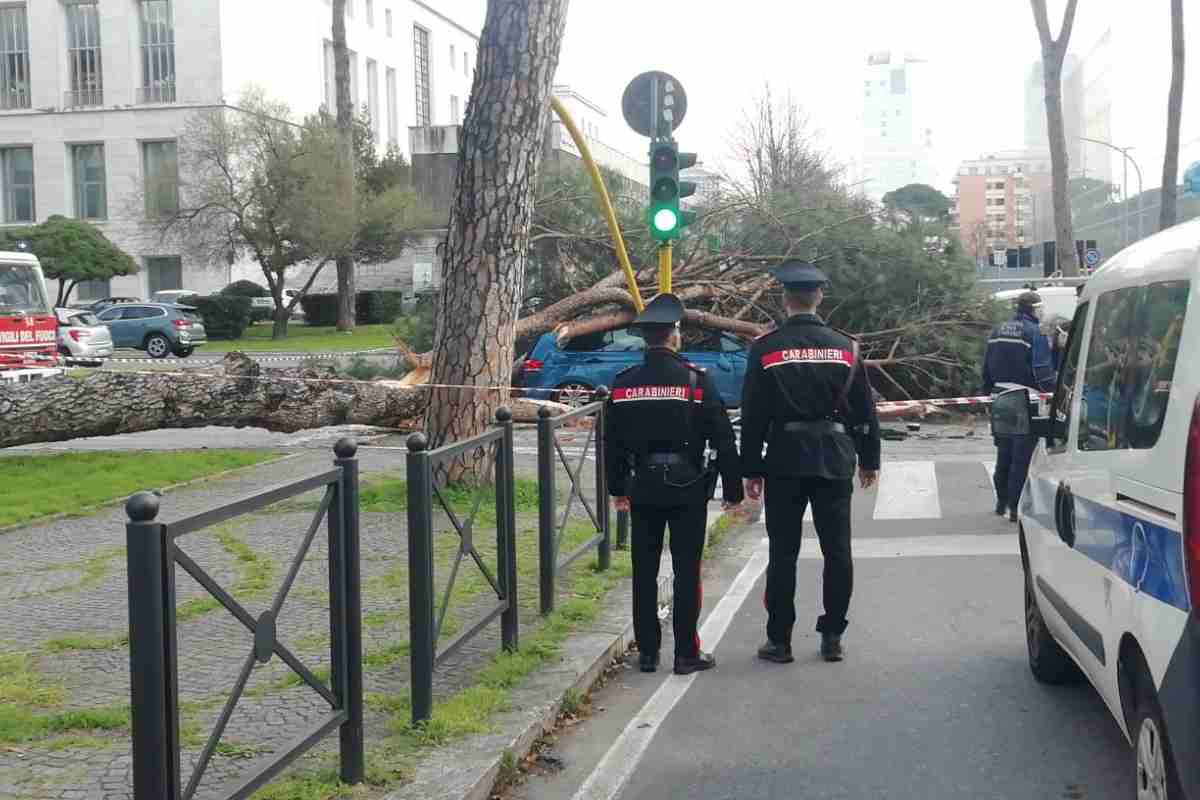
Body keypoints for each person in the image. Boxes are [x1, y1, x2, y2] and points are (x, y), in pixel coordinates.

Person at [739, 261, 881, 664]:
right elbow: (864, 412)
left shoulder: (765, 349)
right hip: (835, 458)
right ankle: (832, 635)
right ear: (819, 297)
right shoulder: (847, 347)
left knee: (783, 552)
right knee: (838, 551)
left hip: (784, 458)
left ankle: (779, 641)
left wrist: (751, 468)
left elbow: (753, 415)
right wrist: (869, 459)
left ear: (785, 299)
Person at [604, 293, 744, 675]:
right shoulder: (697, 381)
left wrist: (617, 488)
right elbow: (723, 439)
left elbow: (611, 443)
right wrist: (733, 491)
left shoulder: (623, 384)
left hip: (643, 486)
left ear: (645, 339)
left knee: (644, 570)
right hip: (687, 486)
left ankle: (647, 652)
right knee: (686, 569)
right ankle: (686, 652)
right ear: (675, 335)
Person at [982, 290, 1057, 522]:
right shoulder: (1034, 332)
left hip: (999, 397)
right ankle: (1015, 506)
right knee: (1021, 456)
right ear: (1033, 309)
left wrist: (987, 395)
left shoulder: (998, 330)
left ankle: (1001, 501)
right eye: (1040, 308)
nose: (1042, 311)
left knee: (1003, 452)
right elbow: (1041, 369)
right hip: (1025, 399)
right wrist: (1053, 392)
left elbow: (986, 367)